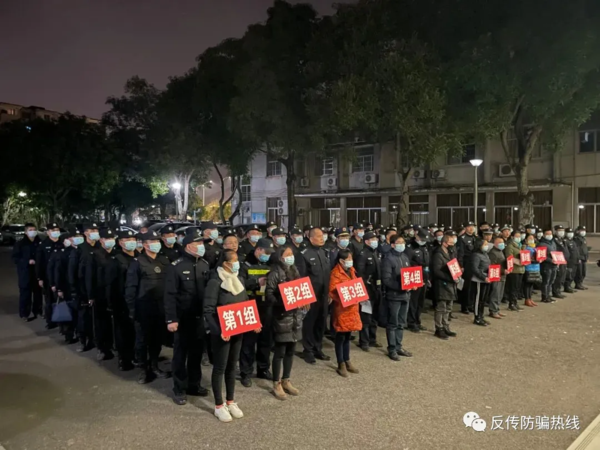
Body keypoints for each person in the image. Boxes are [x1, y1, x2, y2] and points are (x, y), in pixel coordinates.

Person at [204, 249, 252, 422]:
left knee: (232, 366)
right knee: (220, 367)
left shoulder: (239, 279)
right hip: (222, 332)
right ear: (225, 264)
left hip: (238, 329)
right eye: (234, 261)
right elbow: (208, 310)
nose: (237, 264)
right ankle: (219, 405)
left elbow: (246, 303)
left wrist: (253, 322)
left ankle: (230, 401)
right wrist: (219, 331)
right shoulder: (215, 282)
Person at [164, 228, 210, 405]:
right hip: (182, 318)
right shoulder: (176, 266)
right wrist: (171, 319)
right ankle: (179, 388)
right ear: (188, 246)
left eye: (202, 243)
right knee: (180, 355)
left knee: (196, 353)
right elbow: (170, 295)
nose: (201, 246)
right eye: (198, 243)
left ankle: (194, 385)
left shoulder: (204, 264)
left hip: (199, 318)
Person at [125, 230, 171, 384]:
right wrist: (132, 310)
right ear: (145, 245)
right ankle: (144, 369)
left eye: (157, 241)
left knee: (157, 339)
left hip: (160, 308)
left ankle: (155, 365)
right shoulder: (137, 263)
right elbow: (130, 289)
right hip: (143, 309)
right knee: (142, 340)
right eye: (152, 241)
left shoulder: (164, 260)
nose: (156, 244)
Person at [265, 246, 304, 400]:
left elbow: (300, 289)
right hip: (282, 316)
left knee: (291, 350)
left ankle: (286, 380)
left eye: (291, 254)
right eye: (287, 254)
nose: (290, 256)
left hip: (295, 316)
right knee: (280, 352)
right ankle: (276, 383)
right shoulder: (275, 273)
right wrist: (282, 303)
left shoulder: (294, 270)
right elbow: (269, 294)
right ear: (280, 257)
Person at [239, 238, 274, 387]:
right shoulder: (244, 265)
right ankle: (246, 373)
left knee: (265, 341)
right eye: (266, 252)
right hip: (250, 306)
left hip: (266, 306)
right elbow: (239, 284)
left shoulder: (271, 264)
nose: (268, 255)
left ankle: (263, 369)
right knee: (248, 342)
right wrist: (256, 283)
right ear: (258, 250)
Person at [85, 228, 119, 361]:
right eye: (106, 238)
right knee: (101, 322)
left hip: (115, 293)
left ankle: (116, 345)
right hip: (100, 294)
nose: (110, 241)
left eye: (111, 238)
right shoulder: (95, 255)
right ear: (101, 240)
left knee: (116, 323)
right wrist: (91, 296)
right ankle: (103, 348)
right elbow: (90, 277)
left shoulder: (117, 254)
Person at [299, 227, 331, 364]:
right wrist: (304, 298)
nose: (321, 238)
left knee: (321, 323)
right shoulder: (304, 254)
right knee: (309, 323)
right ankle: (308, 351)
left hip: (323, 295)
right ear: (311, 238)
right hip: (311, 296)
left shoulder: (324, 253)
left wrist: (329, 292)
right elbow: (301, 278)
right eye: (318, 236)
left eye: (322, 236)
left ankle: (318, 348)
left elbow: (327, 275)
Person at [329, 249, 362, 377]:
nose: (350, 261)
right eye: (348, 259)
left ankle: (347, 360)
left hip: (352, 308)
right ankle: (341, 363)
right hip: (342, 309)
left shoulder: (352, 270)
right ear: (341, 261)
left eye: (351, 259)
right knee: (341, 336)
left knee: (348, 335)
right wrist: (344, 297)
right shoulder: (335, 273)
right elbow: (332, 291)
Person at [381, 235, 413, 361]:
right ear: (393, 244)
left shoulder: (405, 257)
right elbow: (386, 280)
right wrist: (401, 287)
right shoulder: (388, 259)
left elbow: (409, 275)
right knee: (393, 323)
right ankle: (392, 348)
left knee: (401, 323)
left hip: (405, 295)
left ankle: (399, 346)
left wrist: (412, 284)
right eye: (399, 242)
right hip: (394, 296)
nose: (402, 244)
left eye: (403, 242)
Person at [112, 230, 138, 371]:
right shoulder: (116, 260)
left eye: (133, 239)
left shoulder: (139, 257)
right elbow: (111, 284)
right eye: (127, 240)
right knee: (124, 332)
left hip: (137, 301)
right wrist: (112, 303)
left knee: (136, 331)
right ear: (120, 242)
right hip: (121, 302)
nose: (131, 242)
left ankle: (137, 356)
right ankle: (124, 359)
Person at [355, 231, 382, 351]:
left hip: (376, 288)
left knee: (375, 315)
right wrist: (363, 292)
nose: (375, 241)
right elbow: (360, 274)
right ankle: (364, 341)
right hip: (367, 289)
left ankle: (372, 339)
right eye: (372, 239)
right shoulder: (362, 254)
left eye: (376, 239)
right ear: (366, 241)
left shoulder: (376, 252)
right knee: (366, 316)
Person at [12, 223, 42, 321]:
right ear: (26, 232)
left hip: (37, 272)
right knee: (25, 294)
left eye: (34, 229)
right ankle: (24, 313)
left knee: (38, 293)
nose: (33, 231)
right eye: (30, 230)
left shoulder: (39, 243)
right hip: (25, 272)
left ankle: (38, 311)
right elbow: (15, 258)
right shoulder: (20, 244)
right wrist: (26, 261)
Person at [431, 234, 459, 339]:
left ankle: (446, 326)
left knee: (448, 307)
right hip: (442, 284)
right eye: (450, 243)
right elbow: (436, 271)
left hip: (451, 284)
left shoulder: (451, 253)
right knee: (441, 307)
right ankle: (439, 328)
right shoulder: (438, 254)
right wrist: (450, 278)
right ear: (444, 243)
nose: (452, 245)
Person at [36, 222, 63, 329]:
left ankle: (61, 320)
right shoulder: (43, 245)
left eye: (57, 230)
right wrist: (40, 278)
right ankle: (50, 321)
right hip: (48, 277)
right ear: (48, 232)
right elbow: (39, 263)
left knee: (61, 300)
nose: (56, 232)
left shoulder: (63, 243)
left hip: (60, 276)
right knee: (50, 300)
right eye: (53, 230)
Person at [405, 229, 430, 333]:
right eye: (422, 239)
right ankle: (411, 322)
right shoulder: (410, 247)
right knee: (413, 301)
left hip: (424, 276)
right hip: (414, 275)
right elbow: (408, 263)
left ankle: (417, 321)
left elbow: (427, 262)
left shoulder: (425, 247)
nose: (423, 241)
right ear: (416, 236)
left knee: (420, 301)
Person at [470, 238, 492, 326]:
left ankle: (481, 316)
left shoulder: (485, 254)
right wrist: (483, 277)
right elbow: (474, 268)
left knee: (483, 300)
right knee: (478, 299)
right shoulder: (476, 255)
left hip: (486, 279)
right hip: (478, 280)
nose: (486, 246)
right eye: (484, 244)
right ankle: (477, 317)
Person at [456, 221, 477, 314]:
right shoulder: (462, 239)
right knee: (466, 286)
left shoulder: (475, 238)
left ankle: (471, 304)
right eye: (469, 226)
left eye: (473, 226)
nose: (471, 228)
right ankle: (465, 306)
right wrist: (461, 265)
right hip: (466, 263)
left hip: (474, 263)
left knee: (473, 285)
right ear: (465, 228)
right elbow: (460, 253)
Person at [503, 231, 525, 310]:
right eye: (517, 236)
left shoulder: (521, 245)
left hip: (521, 269)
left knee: (517, 287)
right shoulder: (510, 246)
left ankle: (515, 303)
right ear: (512, 237)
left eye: (519, 236)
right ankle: (511, 303)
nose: (518, 238)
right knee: (513, 288)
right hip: (514, 270)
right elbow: (509, 257)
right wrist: (519, 262)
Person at [536, 228, 558, 303]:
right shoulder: (541, 244)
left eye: (550, 234)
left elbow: (555, 252)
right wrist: (550, 260)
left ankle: (548, 295)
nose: (549, 235)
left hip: (554, 265)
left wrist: (558, 260)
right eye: (547, 234)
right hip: (546, 265)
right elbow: (541, 256)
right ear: (544, 235)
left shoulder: (553, 242)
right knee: (546, 281)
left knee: (551, 281)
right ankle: (544, 296)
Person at [487, 237, 507, 319]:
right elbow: (492, 266)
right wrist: (503, 271)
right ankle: (493, 310)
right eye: (500, 242)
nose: (502, 244)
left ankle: (497, 309)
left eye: (503, 242)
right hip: (496, 276)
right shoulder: (493, 253)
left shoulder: (500, 251)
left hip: (502, 276)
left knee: (500, 294)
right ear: (495, 243)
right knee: (495, 294)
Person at [522, 235, 541, 306]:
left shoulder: (535, 248)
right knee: (527, 284)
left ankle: (530, 298)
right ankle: (527, 299)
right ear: (526, 240)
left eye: (532, 238)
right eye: (529, 238)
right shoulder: (526, 248)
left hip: (536, 268)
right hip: (529, 268)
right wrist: (535, 260)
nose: (531, 240)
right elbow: (526, 259)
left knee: (531, 284)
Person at [552, 225, 568, 299]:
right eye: (559, 230)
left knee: (562, 277)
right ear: (555, 231)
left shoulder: (562, 240)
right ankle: (556, 291)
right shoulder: (554, 240)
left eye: (562, 230)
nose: (561, 232)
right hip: (558, 260)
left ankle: (559, 290)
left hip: (563, 261)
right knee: (558, 277)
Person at [563, 228, 580, 293]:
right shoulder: (565, 241)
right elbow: (566, 252)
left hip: (575, 261)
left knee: (573, 274)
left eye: (571, 233)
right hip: (569, 261)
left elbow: (576, 251)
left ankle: (569, 286)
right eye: (569, 233)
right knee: (568, 275)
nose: (570, 234)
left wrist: (578, 258)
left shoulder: (573, 241)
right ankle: (567, 287)